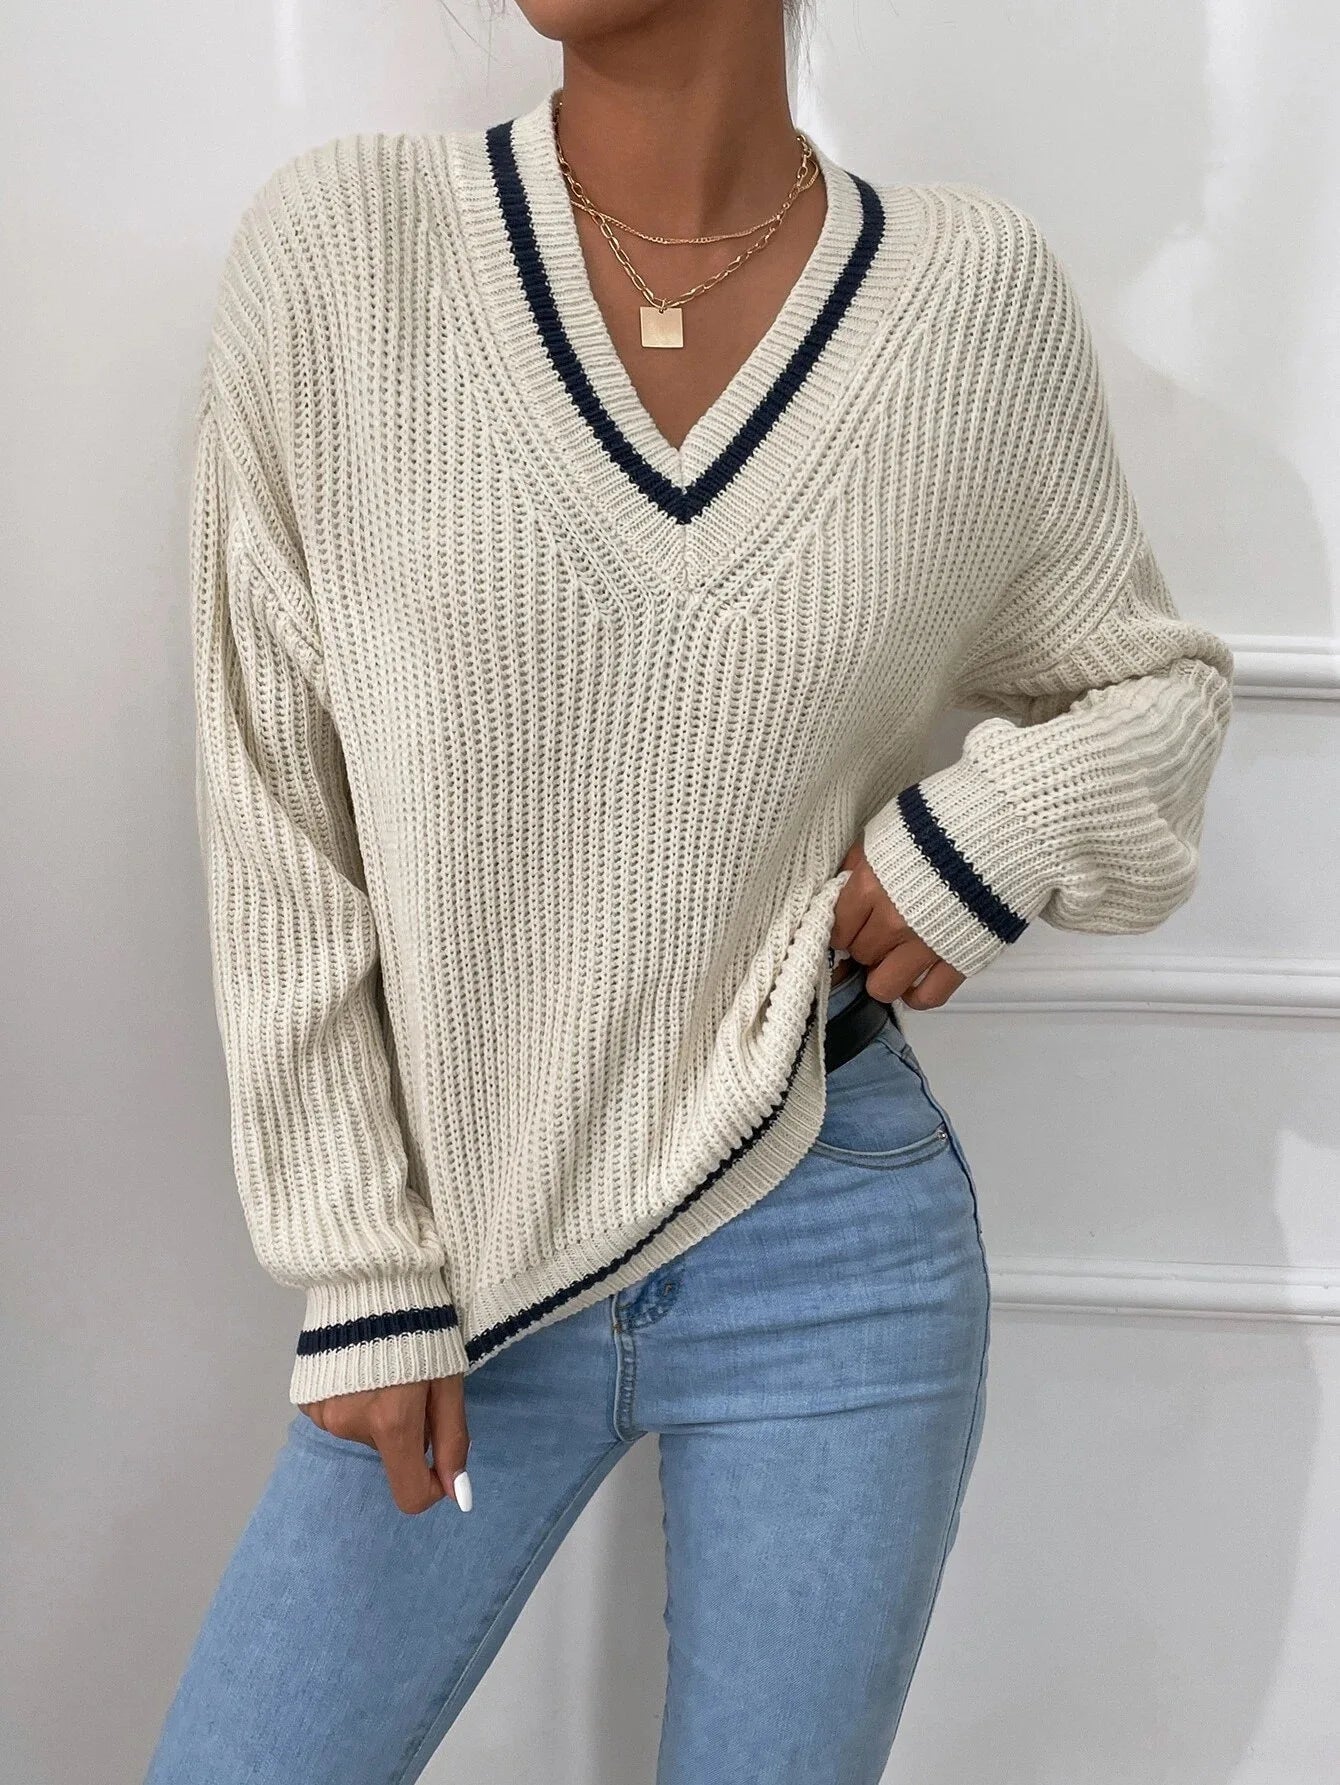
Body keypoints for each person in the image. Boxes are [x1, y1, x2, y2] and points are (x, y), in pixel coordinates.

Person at [146, 2, 1234, 1779]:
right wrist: (359, 1259)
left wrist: (984, 836)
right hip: (465, 1264)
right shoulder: (348, 253)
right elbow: (273, 802)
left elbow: (1154, 687)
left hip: (830, 1225)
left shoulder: (967, 304)